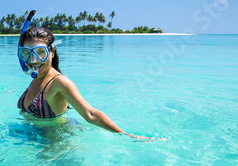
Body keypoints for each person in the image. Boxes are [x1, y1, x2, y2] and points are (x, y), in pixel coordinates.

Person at [17, 27, 151, 139]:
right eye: (27, 53)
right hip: (34, 141)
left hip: (56, 147)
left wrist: (126, 135)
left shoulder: (59, 82)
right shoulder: (37, 78)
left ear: (52, 52)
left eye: (40, 52)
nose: (33, 60)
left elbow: (90, 114)